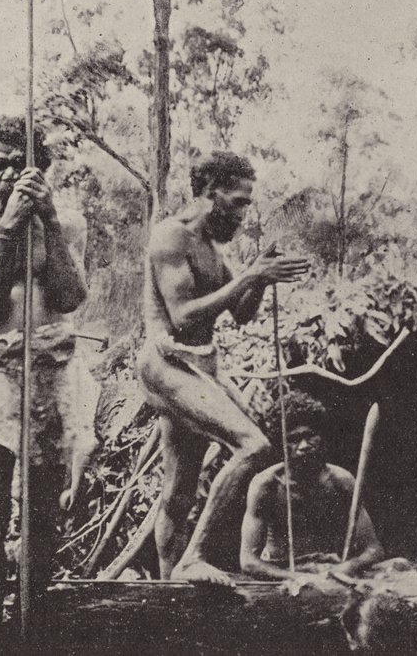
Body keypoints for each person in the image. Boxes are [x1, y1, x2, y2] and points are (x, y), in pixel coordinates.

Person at [0, 116, 93, 652]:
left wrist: (47, 220)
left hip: (51, 369)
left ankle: (30, 622)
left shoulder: (68, 221)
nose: (6, 172)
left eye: (17, 162)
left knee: (42, 506)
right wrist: (10, 225)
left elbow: (70, 296)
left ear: (40, 168)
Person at [140, 150, 310, 585]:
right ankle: (193, 557)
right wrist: (250, 276)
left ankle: (167, 592)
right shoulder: (171, 236)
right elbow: (183, 316)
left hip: (200, 366)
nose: (243, 213)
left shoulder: (214, 249)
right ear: (211, 195)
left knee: (178, 495)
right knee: (254, 446)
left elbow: (242, 313)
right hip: (168, 363)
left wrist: (262, 276)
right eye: (238, 202)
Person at [241, 390, 385, 580]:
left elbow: (374, 549)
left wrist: (347, 567)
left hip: (329, 571)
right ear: (280, 443)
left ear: (322, 436)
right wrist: (297, 578)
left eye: (310, 436)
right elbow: (249, 562)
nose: (304, 446)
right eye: (293, 439)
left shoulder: (341, 481)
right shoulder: (266, 485)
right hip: (281, 574)